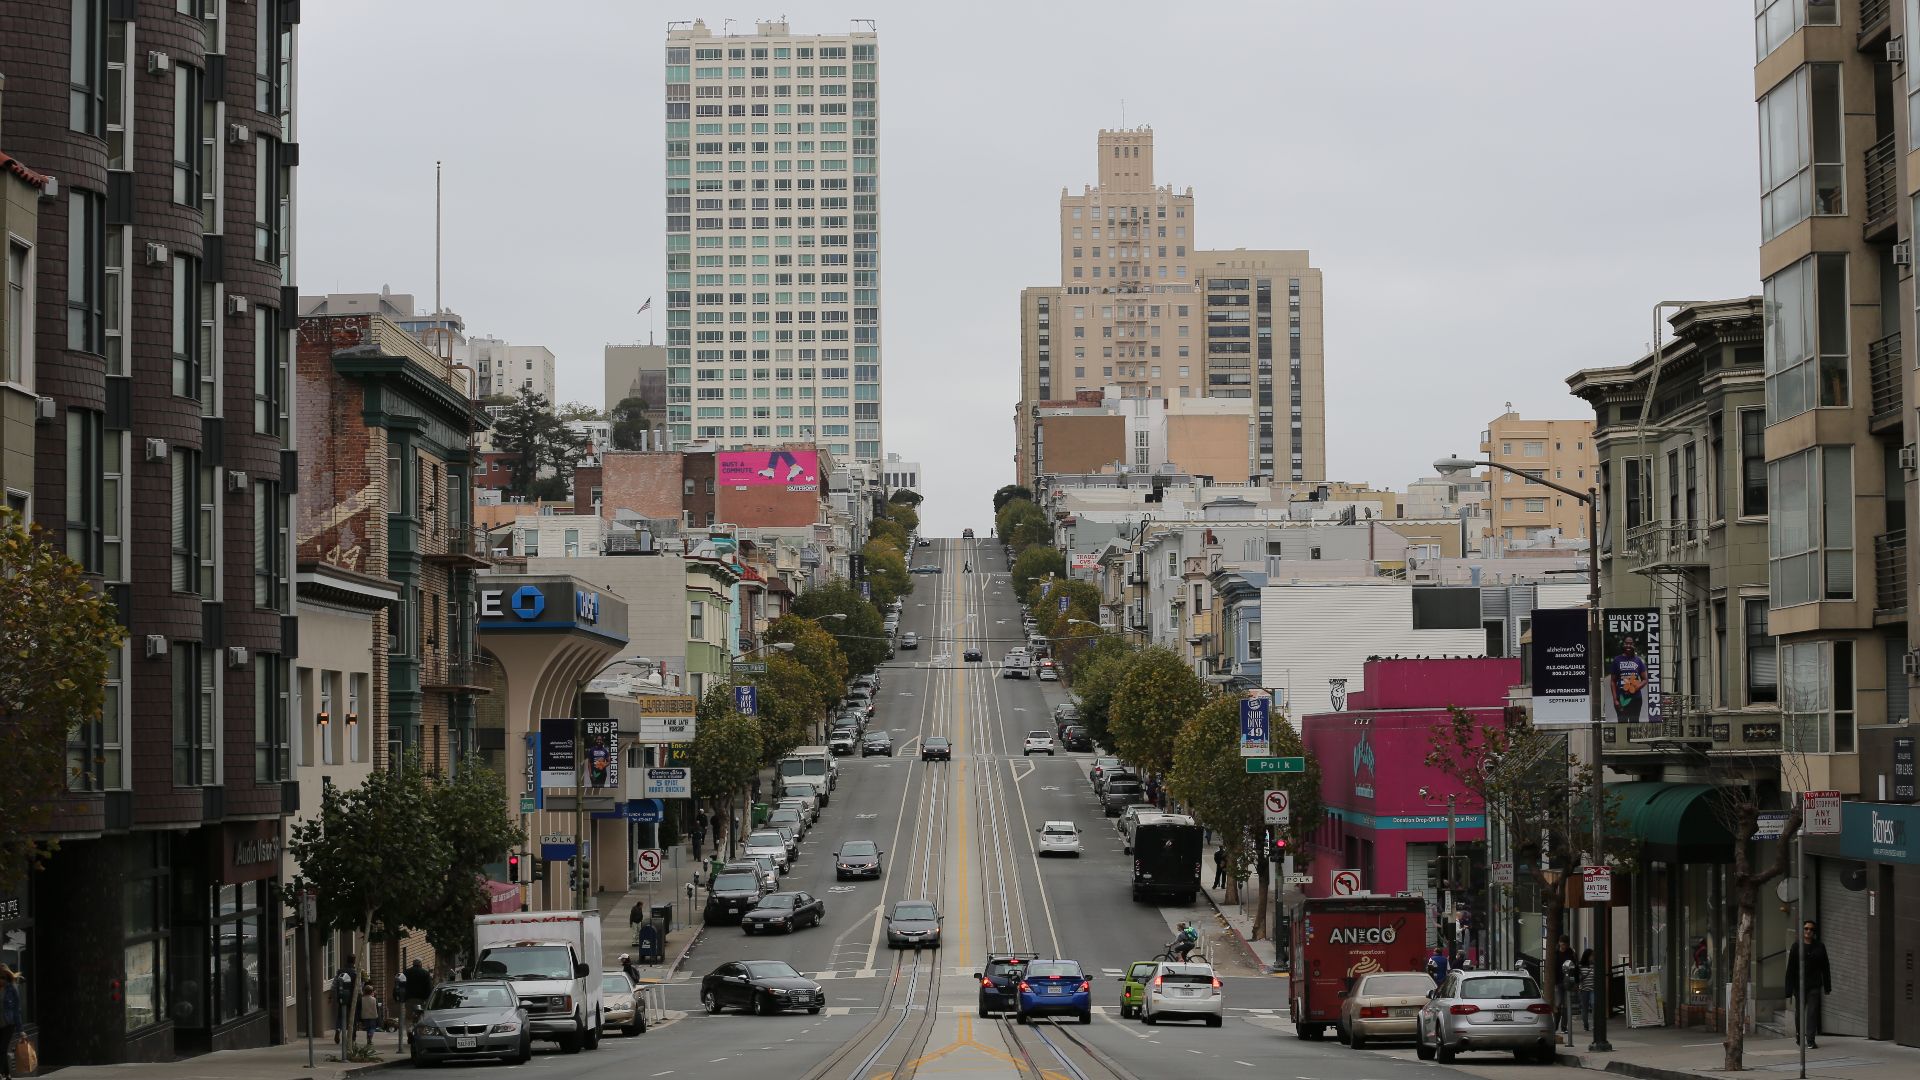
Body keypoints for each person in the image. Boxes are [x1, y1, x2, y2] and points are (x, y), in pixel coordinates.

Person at [1785, 920, 1832, 1049]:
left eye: (1811, 929)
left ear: (1814, 932)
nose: (1808, 931)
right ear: (1803, 931)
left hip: (1814, 985)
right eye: (1806, 929)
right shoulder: (1796, 946)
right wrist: (1788, 990)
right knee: (1799, 1013)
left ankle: (1810, 1039)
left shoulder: (1820, 947)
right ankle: (1800, 1036)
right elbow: (1791, 969)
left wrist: (1827, 986)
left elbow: (1825, 967)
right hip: (1799, 986)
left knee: (1812, 1013)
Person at [1607, 636, 1649, 724]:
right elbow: (1613, 681)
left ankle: (1633, 738)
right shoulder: (1617, 660)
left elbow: (1645, 679)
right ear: (1623, 644)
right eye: (1626, 643)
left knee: (1634, 724)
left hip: (1636, 699)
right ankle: (1623, 739)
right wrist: (1615, 699)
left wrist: (1636, 688)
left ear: (1633, 645)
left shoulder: (1638, 660)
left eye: (1630, 644)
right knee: (1622, 724)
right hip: (1621, 698)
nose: (1628, 646)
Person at [0, 964, 22, 1080]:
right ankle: (6, 1074)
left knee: (2, 1049)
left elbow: (17, 1010)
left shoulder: (12, 988)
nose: (1, 980)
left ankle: (2, 1073)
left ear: (7, 977)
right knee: (1, 1050)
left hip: (8, 1024)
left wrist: (20, 1030)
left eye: (2, 977)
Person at [332, 955, 359, 1039]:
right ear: (354, 961)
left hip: (341, 996)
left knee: (341, 1015)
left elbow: (334, 983)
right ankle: (352, 1033)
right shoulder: (355, 972)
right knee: (352, 1015)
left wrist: (331, 994)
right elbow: (358, 986)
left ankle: (338, 1029)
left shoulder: (340, 971)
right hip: (352, 997)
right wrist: (360, 994)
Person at [1577, 948, 1596, 1032]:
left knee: (1594, 1004)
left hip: (1593, 989)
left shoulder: (1595, 965)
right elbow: (1578, 978)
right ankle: (1586, 1025)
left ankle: (1595, 1025)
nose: (1593, 957)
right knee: (1584, 1008)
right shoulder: (1580, 965)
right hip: (1584, 989)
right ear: (1587, 956)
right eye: (1592, 955)